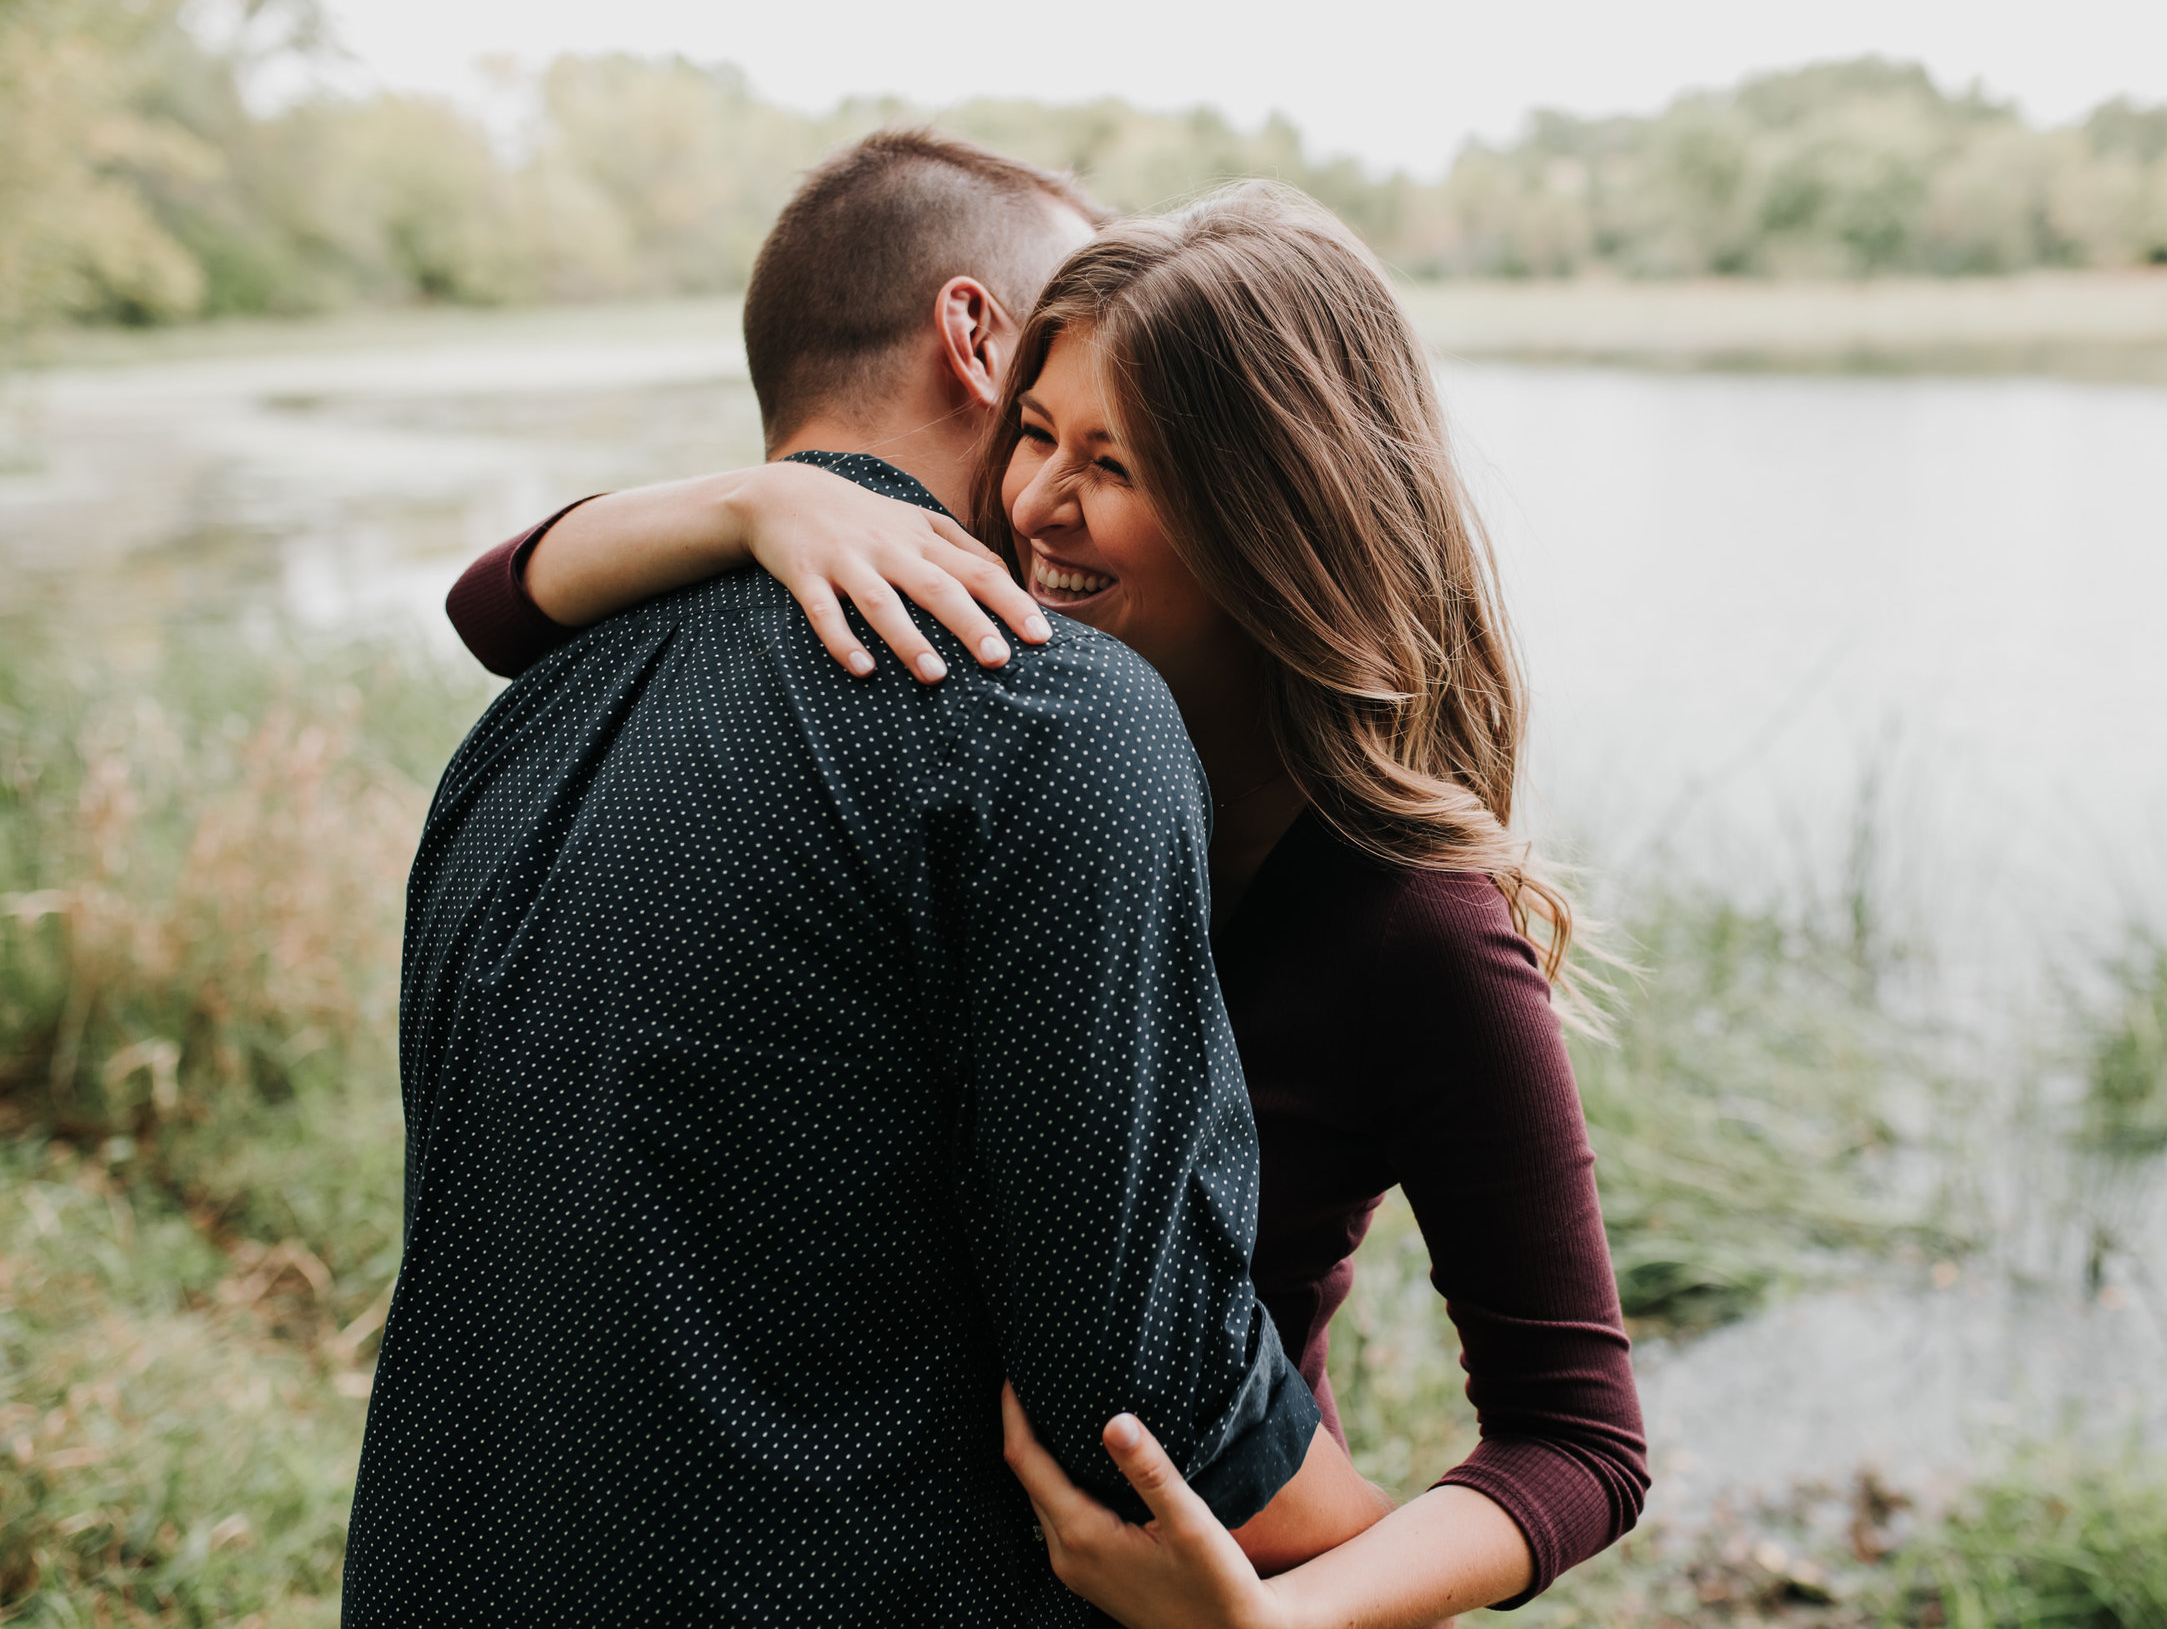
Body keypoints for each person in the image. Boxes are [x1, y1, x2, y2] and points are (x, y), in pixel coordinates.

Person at [448, 179, 1650, 1624]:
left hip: (1187, 1556)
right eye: (1032, 432)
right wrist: (759, 497)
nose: (1034, 504)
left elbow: (1580, 1441)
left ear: (1274, 511)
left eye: (1114, 465)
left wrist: (1290, 1618)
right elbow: (494, 609)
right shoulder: (994, 743)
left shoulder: (1418, 926)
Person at [347, 132, 1386, 1629]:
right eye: (1061, 362)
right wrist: (1400, 1554)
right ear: (976, 338)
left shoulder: (523, 719)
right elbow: (1141, 1399)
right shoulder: (1052, 718)